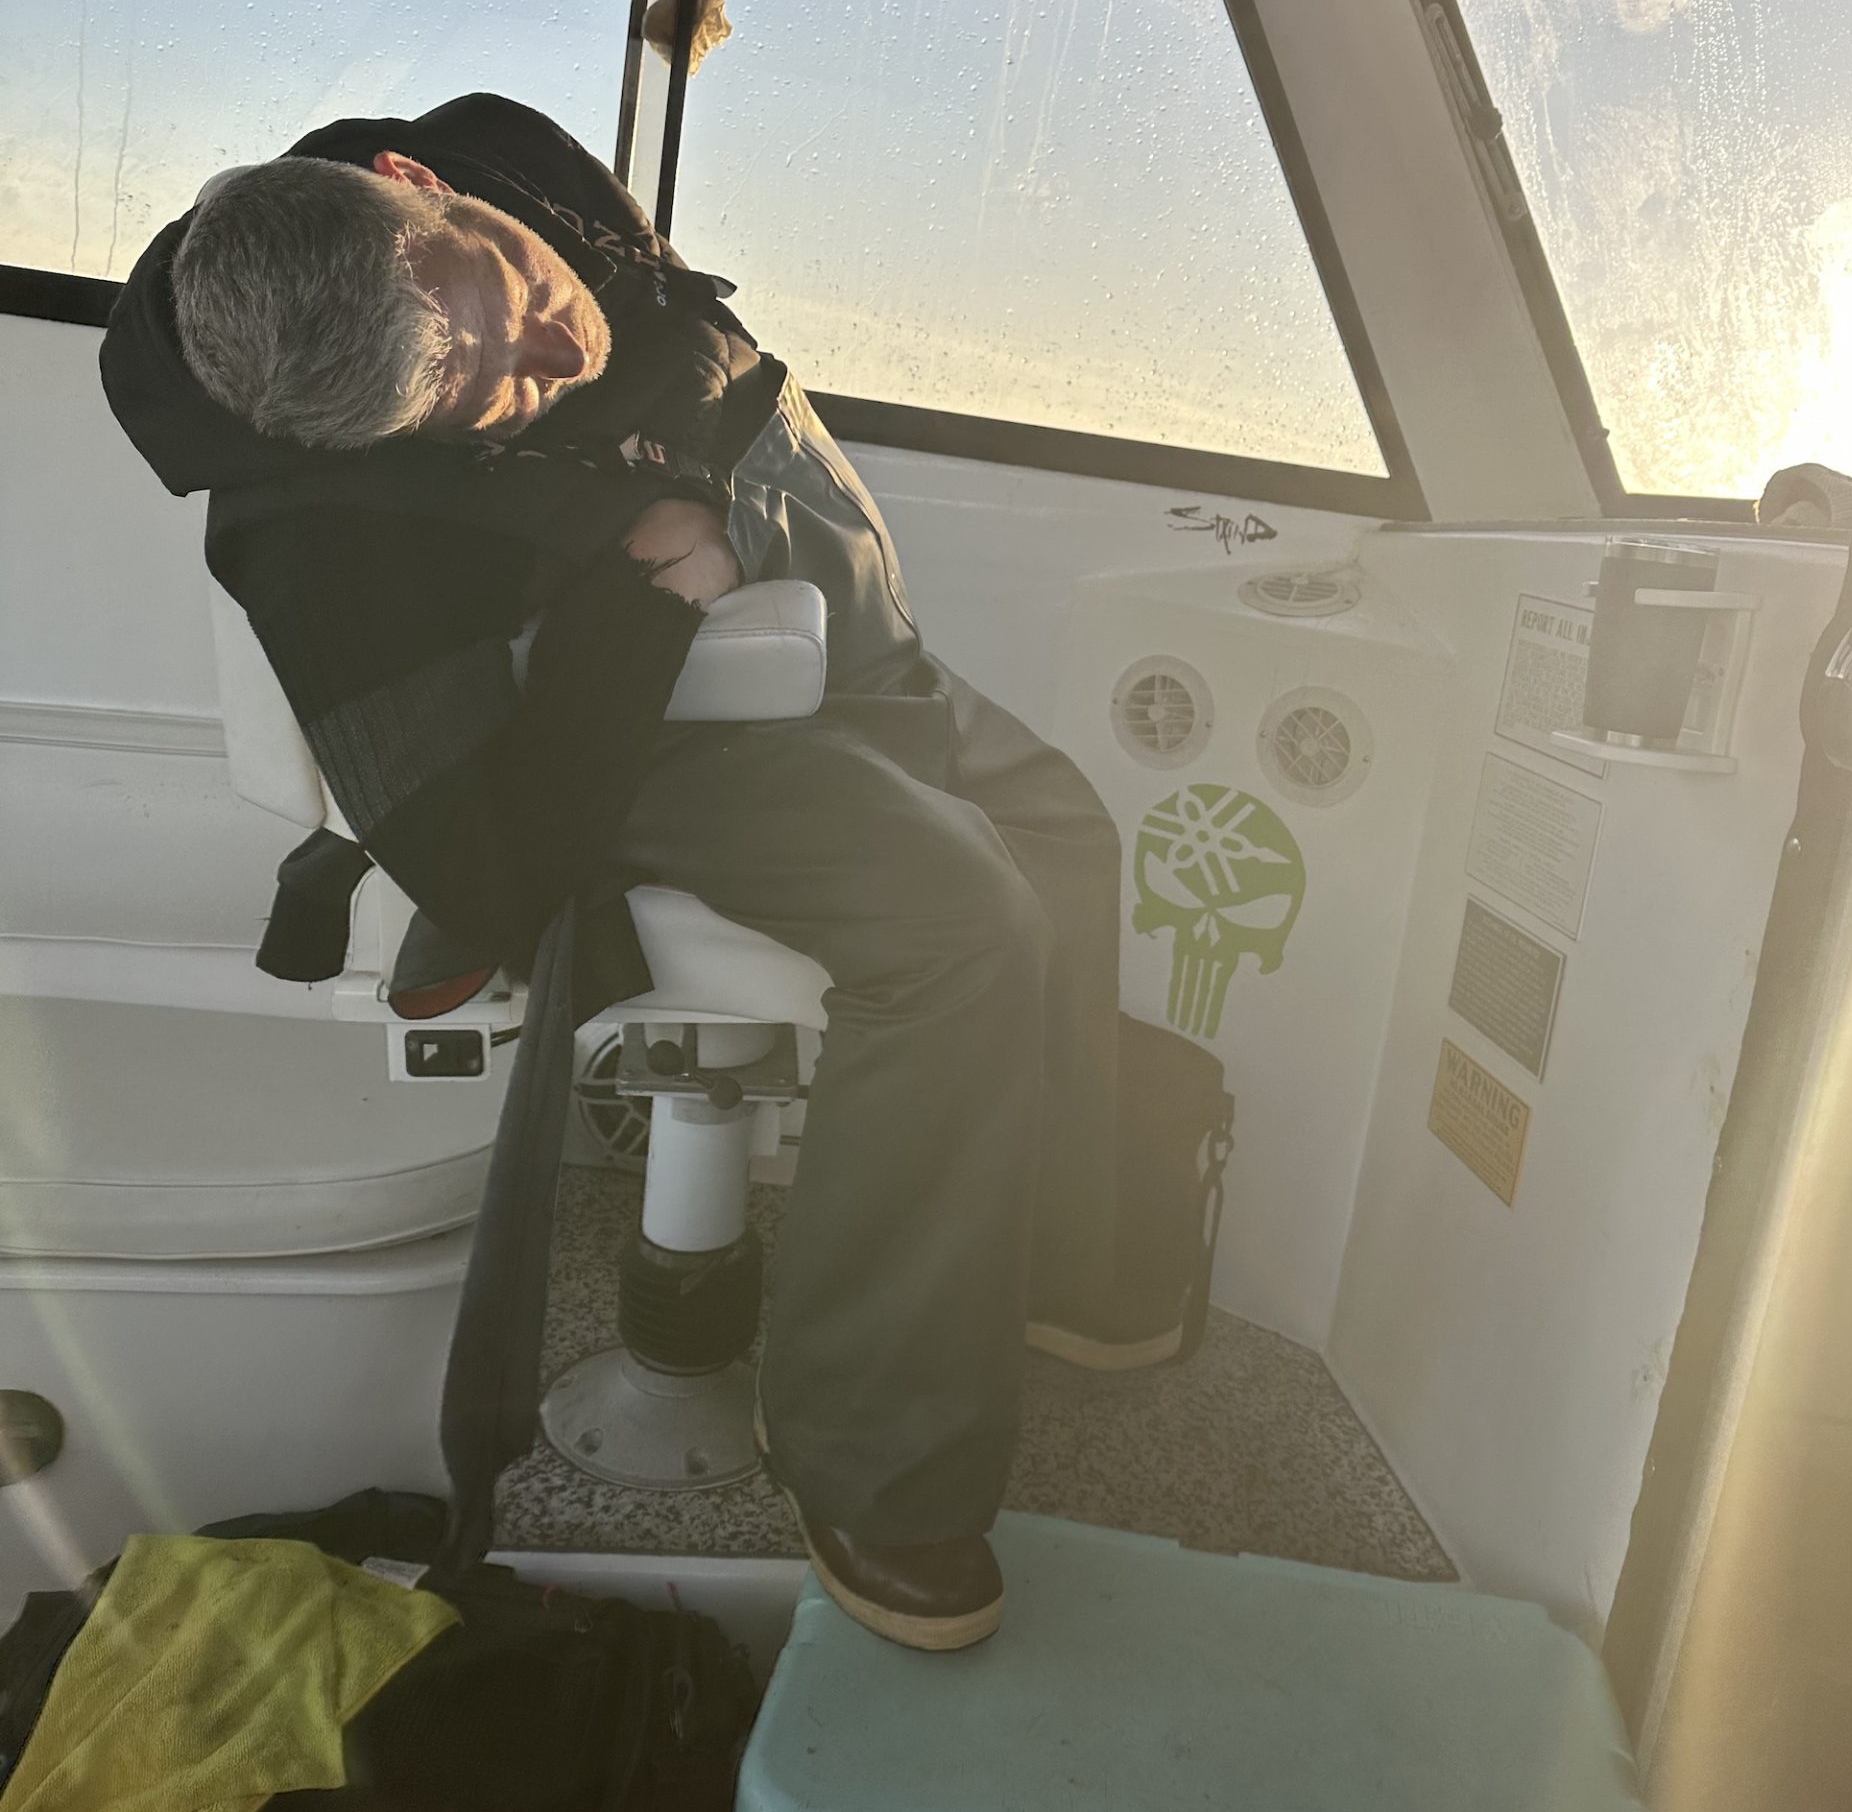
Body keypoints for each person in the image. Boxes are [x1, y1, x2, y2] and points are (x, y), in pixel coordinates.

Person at [100, 93, 1177, 1651]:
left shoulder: (499, 141)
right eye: (495, 398)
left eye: (505, 288)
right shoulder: (312, 533)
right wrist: (652, 592)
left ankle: (1051, 1260)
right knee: (962, 920)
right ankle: (875, 1462)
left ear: (412, 179)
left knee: (1068, 826)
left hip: (825, 624)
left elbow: (681, 329)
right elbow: (483, 857)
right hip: (640, 723)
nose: (557, 345)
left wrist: (667, 476)